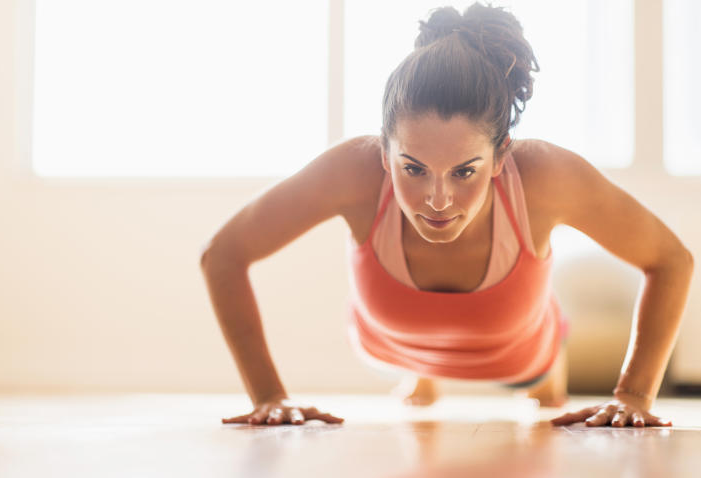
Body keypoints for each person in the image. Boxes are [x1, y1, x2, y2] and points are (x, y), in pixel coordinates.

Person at [200, 3, 693, 428]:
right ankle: (423, 375)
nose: (437, 200)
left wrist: (632, 395)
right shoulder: (353, 170)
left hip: (521, 353)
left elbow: (671, 260)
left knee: (546, 400)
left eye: (464, 171)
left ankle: (526, 363)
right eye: (412, 168)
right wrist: (268, 396)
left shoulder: (545, 175)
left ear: (501, 156)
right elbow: (222, 255)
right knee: (420, 383)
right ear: (384, 152)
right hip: (392, 344)